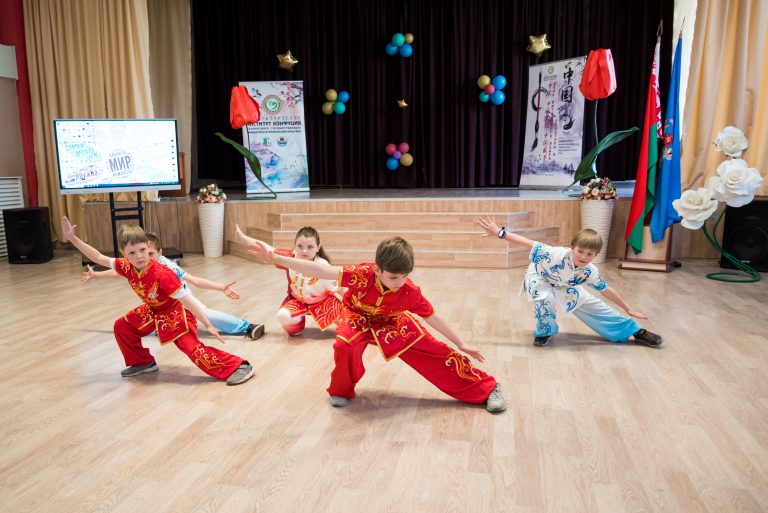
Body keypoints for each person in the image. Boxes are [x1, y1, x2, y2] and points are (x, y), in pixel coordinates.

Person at [239, 227, 506, 413]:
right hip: (356, 316)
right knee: (344, 345)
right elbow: (320, 269)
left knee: (433, 349)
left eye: (405, 276)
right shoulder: (361, 274)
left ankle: (487, 388)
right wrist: (276, 258)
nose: (399, 282)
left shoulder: (408, 291)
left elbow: (432, 316)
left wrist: (461, 343)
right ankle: (341, 390)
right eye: (393, 277)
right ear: (378, 270)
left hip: (391, 321)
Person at [61, 217, 255, 385]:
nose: (139, 256)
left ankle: (238, 366)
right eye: (132, 253)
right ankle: (142, 362)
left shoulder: (163, 274)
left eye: (142, 250)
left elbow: (188, 301)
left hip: (175, 312)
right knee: (122, 326)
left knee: (192, 348)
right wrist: (72, 238)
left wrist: (208, 325)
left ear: (148, 246)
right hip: (153, 310)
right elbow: (97, 257)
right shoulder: (126, 266)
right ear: (123, 253)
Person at [475, 215, 663, 348]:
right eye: (580, 251)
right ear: (572, 247)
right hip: (540, 277)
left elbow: (605, 290)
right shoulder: (554, 253)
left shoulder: (589, 271)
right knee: (544, 299)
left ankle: (635, 332)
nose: (583, 256)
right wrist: (499, 233)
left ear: (595, 255)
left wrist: (628, 308)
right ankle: (545, 332)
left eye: (590, 254)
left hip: (565, 285)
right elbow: (527, 242)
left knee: (596, 306)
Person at [81, 232, 265, 340]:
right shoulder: (137, 263)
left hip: (179, 297)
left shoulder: (166, 267)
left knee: (204, 314)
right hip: (161, 303)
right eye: (136, 252)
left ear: (158, 252)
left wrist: (220, 287)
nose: (142, 257)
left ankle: (247, 327)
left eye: (148, 253)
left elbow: (194, 280)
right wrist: (96, 274)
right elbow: (118, 271)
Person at [271, 226, 343, 335]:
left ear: (318, 247)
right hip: (297, 301)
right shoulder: (290, 258)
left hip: (323, 302)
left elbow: (342, 289)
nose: (304, 251)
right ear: (295, 246)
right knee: (283, 316)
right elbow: (267, 251)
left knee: (349, 328)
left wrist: (358, 306)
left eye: (310, 247)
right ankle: (297, 327)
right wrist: (245, 239)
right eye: (300, 246)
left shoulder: (323, 266)